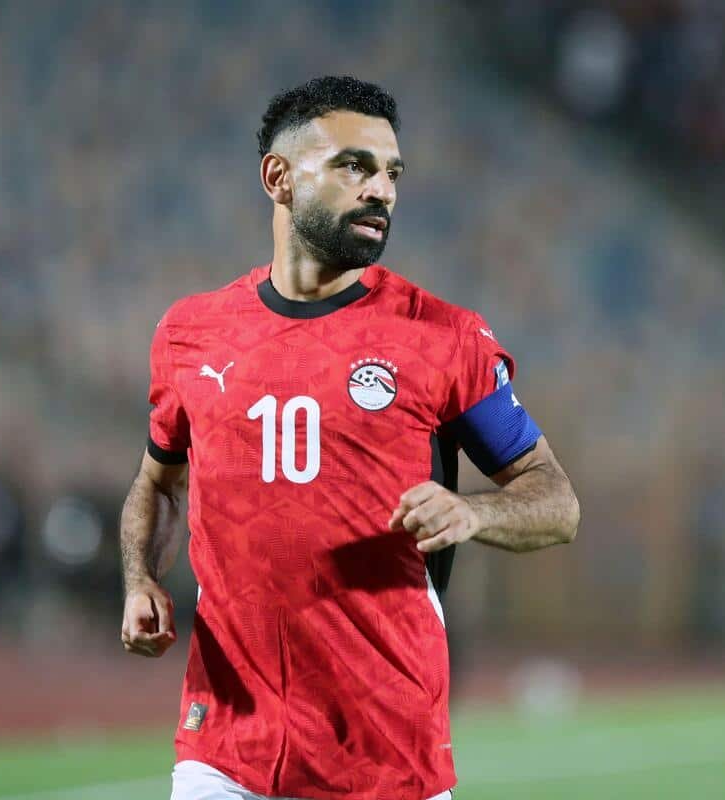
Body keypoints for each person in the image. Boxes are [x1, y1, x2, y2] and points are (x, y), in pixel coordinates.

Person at [119, 75, 580, 800]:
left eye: (392, 172)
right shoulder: (190, 333)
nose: (381, 190)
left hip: (385, 757)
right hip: (224, 749)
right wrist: (141, 578)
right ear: (278, 178)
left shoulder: (444, 338)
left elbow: (557, 502)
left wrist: (474, 512)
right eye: (354, 166)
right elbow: (159, 484)